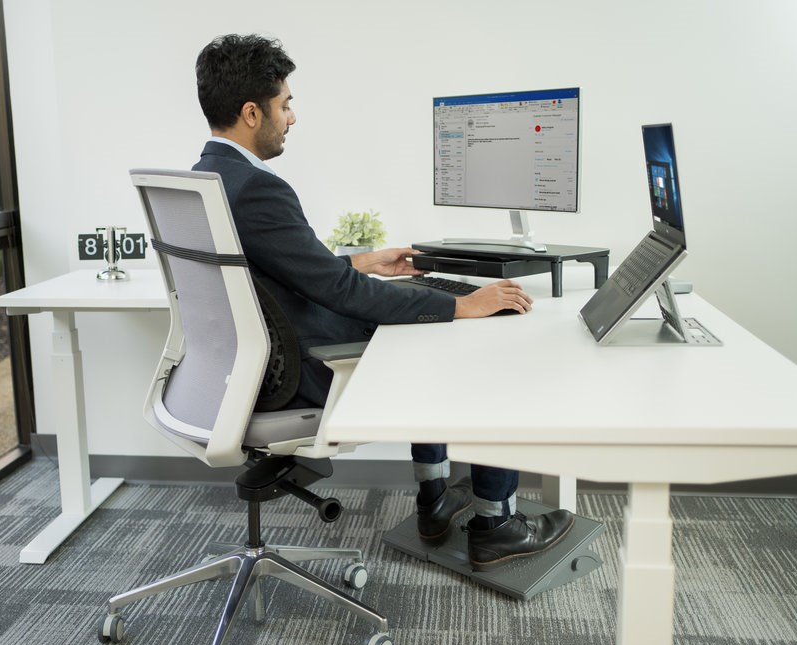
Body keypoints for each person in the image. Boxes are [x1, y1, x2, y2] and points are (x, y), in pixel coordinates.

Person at [192, 33, 573, 571]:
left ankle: (434, 499)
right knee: (480, 338)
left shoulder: (206, 179)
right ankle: (496, 523)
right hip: (303, 372)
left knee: (422, 321)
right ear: (252, 112)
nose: (292, 117)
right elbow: (336, 293)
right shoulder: (257, 189)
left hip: (246, 372)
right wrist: (461, 306)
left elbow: (280, 274)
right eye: (286, 104)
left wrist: (363, 262)